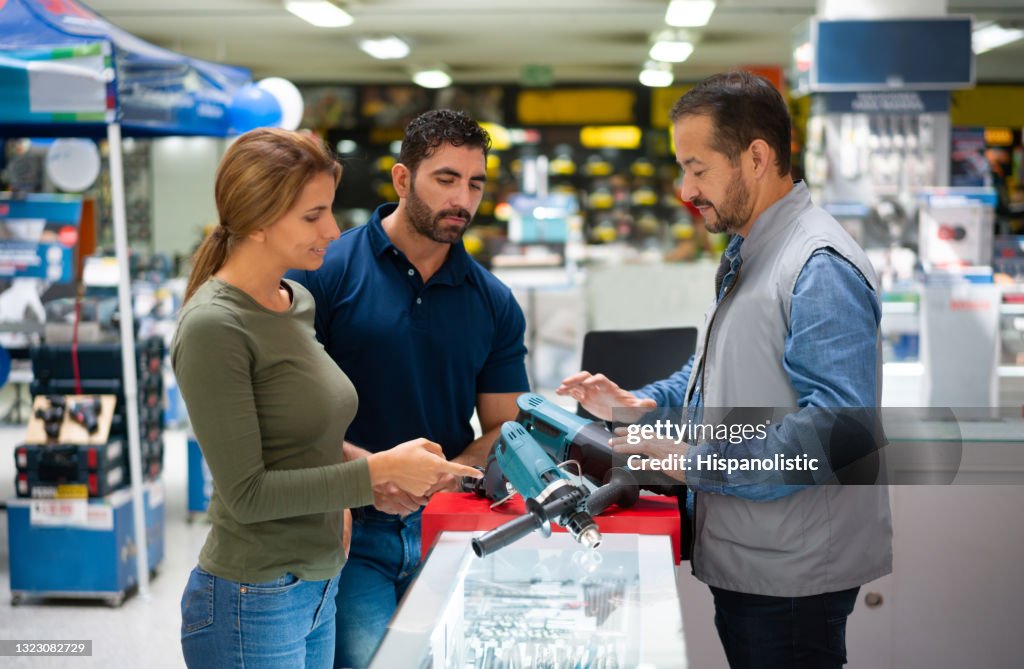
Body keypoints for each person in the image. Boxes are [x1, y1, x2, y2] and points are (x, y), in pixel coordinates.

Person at [558, 72, 892, 669]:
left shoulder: (817, 265)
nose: (686, 189)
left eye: (698, 168)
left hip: (793, 576)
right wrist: (643, 404)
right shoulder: (751, 250)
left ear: (757, 158)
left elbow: (837, 436)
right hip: (755, 559)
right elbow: (721, 370)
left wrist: (687, 461)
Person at [173, 128, 481, 669]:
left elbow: (305, 440)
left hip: (318, 584)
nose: (334, 230)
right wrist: (373, 473)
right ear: (259, 219)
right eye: (313, 215)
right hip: (254, 597)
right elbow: (246, 494)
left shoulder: (295, 302)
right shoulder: (214, 326)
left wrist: (380, 473)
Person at [287, 109, 529, 668]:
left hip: (445, 528)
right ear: (402, 180)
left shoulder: (491, 301)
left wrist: (448, 476)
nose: (462, 200)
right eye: (446, 179)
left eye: (474, 183)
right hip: (347, 530)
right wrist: (370, 473)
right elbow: (286, 412)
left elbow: (503, 425)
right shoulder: (326, 271)